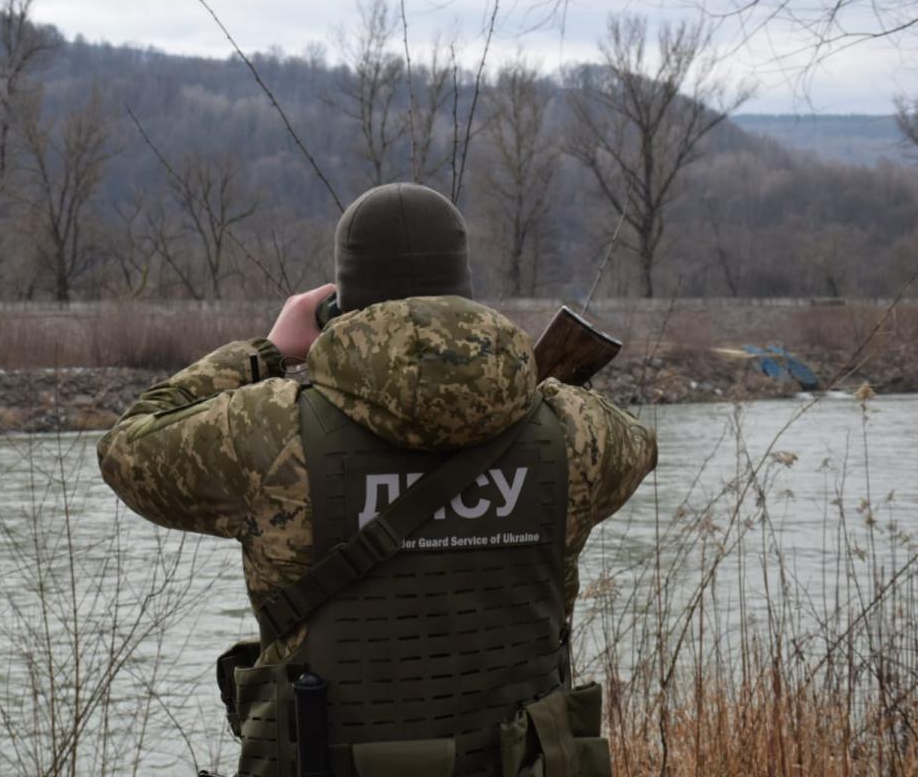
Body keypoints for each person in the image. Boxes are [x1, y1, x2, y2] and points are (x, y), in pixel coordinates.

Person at [97, 183, 657, 777]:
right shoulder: (575, 434)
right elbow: (640, 446)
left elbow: (125, 447)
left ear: (340, 307)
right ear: (465, 294)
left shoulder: (268, 431)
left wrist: (265, 351)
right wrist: (517, 382)